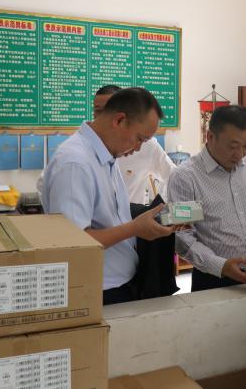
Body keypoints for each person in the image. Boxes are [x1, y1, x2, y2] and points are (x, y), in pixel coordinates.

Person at [41, 87, 176, 305]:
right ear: (119, 120)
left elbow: (110, 218)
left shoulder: (106, 156)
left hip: (118, 284)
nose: (138, 148)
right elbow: (74, 244)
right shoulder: (76, 163)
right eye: (139, 139)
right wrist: (135, 228)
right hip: (97, 291)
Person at [167, 105, 246, 291]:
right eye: (233, 146)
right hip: (215, 279)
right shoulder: (185, 177)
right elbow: (182, 238)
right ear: (210, 137)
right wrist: (221, 266)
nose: (240, 154)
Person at [36, 85, 176, 201]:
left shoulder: (127, 150)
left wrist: (162, 207)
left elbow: (174, 177)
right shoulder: (75, 161)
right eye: (98, 111)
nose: (103, 117)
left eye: (108, 109)